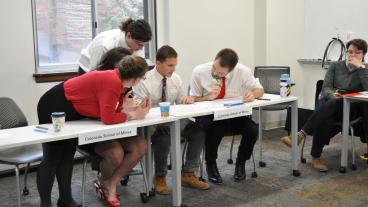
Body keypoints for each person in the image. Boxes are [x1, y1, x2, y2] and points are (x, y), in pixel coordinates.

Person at [37, 55, 151, 207]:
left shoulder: (119, 81)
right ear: (137, 78)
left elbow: (110, 110)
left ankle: (65, 199)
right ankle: (45, 204)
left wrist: (129, 110)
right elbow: (109, 118)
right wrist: (133, 114)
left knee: (66, 156)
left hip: (72, 111)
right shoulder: (112, 81)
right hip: (53, 105)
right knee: (52, 158)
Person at [281, 38, 368, 172]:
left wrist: (361, 68)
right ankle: (315, 158)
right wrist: (333, 94)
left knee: (330, 107)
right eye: (350, 52)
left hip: (350, 107)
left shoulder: (365, 69)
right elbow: (326, 87)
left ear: (363, 54)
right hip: (332, 100)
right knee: (327, 115)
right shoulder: (336, 66)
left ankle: (300, 136)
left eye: (357, 53)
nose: (352, 55)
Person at [133, 45, 209, 194]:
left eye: (175, 65)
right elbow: (138, 109)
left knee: (198, 132)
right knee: (163, 137)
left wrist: (186, 99)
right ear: (158, 63)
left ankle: (188, 173)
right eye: (170, 65)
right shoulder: (144, 80)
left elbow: (180, 101)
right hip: (151, 123)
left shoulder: (176, 78)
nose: (173, 69)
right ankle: (160, 177)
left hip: (172, 119)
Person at [190, 48, 264, 184]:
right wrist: (208, 97)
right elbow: (192, 99)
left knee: (252, 129)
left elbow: (260, 89)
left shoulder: (243, 71)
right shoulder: (199, 71)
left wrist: (253, 95)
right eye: (214, 67)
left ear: (232, 69)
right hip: (209, 116)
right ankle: (211, 164)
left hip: (234, 114)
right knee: (216, 128)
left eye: (220, 73)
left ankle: (240, 163)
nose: (215, 73)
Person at [78, 18, 152, 74]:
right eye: (139, 44)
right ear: (129, 35)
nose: (142, 48)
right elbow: (94, 73)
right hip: (88, 71)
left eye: (144, 45)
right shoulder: (105, 44)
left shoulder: (136, 46)